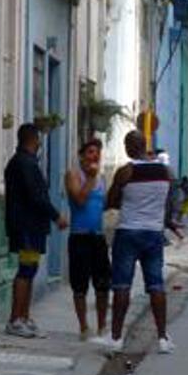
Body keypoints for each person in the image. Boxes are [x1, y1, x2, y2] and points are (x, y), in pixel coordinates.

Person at [96, 130, 176, 355]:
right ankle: (162, 338)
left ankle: (116, 338)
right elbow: (169, 203)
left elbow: (111, 201)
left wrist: (124, 198)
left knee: (122, 285)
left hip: (128, 232)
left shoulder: (126, 171)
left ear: (130, 147)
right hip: (153, 233)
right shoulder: (165, 172)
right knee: (156, 285)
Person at [3, 124, 69, 338]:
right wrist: (55, 215)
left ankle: (24, 316)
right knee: (26, 269)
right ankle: (16, 318)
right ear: (32, 140)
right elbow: (36, 196)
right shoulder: (25, 164)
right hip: (27, 226)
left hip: (29, 226)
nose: (40, 143)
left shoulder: (23, 162)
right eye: (38, 140)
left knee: (30, 268)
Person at [65, 139, 110, 340]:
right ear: (82, 155)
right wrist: (90, 179)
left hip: (98, 237)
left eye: (98, 152)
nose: (95, 156)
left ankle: (102, 326)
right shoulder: (74, 175)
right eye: (91, 152)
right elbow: (80, 201)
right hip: (79, 236)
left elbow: (105, 205)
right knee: (80, 285)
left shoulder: (102, 179)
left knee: (102, 284)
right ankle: (84, 327)